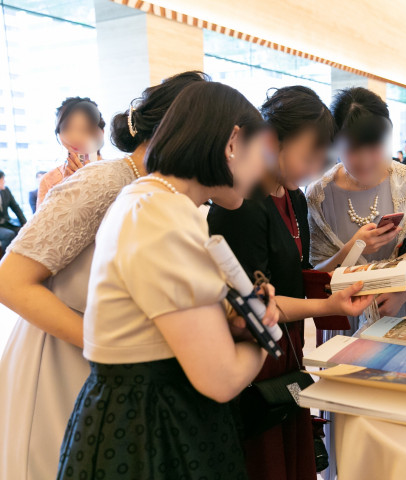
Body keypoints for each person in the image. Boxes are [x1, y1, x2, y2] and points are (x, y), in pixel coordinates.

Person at [55, 81, 276, 479]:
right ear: (232, 142)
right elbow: (221, 379)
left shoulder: (150, 199)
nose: (263, 168)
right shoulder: (162, 216)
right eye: (261, 153)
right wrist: (267, 338)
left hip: (133, 418)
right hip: (153, 428)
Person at [0, 71, 209, 480]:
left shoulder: (155, 189)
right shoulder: (105, 180)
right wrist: (107, 343)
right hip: (59, 355)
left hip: (99, 360)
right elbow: (10, 280)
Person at [207, 86, 374, 480]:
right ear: (271, 140)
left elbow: (294, 274)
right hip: (258, 347)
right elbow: (251, 304)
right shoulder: (241, 203)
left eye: (321, 156)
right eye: (308, 154)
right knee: (266, 454)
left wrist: (351, 253)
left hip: (290, 341)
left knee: (293, 449)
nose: (315, 165)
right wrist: (328, 306)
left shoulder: (292, 196)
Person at [307, 87, 406, 331]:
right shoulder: (319, 194)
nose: (365, 161)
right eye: (353, 150)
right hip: (345, 316)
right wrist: (352, 248)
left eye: (374, 148)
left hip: (402, 309)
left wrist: (404, 294)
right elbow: (317, 274)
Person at [36, 97, 106, 208]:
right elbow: (41, 223)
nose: (76, 137)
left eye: (84, 128)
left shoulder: (115, 172)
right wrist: (66, 185)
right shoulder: (48, 180)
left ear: (100, 132)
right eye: (67, 128)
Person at [0, 170, 26, 251]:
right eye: (3, 179)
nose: (4, 181)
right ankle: (6, 262)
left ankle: (20, 258)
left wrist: (24, 223)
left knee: (23, 231)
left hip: (6, 222)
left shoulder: (5, 190)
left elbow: (15, 207)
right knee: (9, 234)